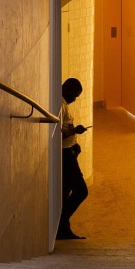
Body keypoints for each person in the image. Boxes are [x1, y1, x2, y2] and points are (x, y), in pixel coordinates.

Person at [57, 77, 89, 241]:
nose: (75, 99)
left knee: (65, 193)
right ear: (67, 90)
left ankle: (62, 228)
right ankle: (61, 221)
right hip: (64, 156)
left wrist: (75, 144)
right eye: (75, 95)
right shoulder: (59, 105)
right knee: (81, 191)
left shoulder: (62, 103)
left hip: (69, 152)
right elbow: (57, 133)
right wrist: (75, 131)